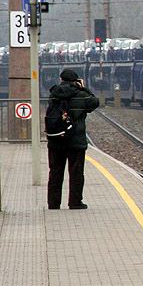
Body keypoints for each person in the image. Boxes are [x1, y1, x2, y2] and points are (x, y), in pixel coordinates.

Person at [47, 69, 100, 210]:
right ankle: (75, 202)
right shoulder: (82, 94)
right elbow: (95, 102)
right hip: (75, 140)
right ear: (75, 80)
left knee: (55, 172)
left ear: (61, 79)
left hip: (56, 139)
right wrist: (84, 88)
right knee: (76, 173)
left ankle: (53, 203)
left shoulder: (54, 94)